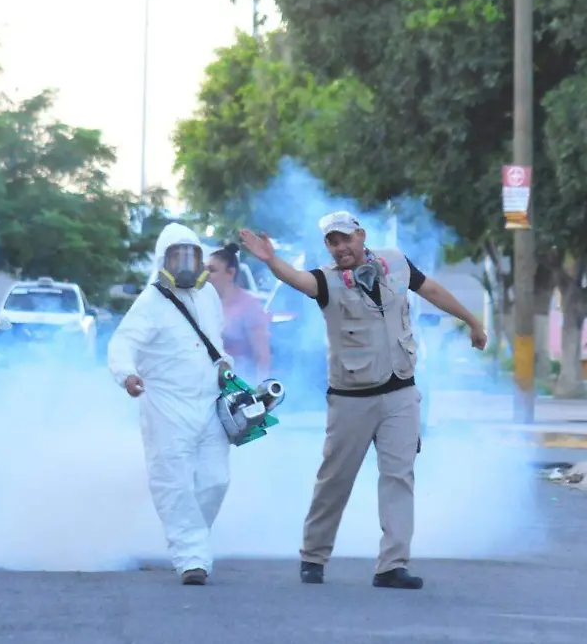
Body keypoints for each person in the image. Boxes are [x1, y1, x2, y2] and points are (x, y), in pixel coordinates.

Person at [239, 210, 488, 590]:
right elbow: (298, 279)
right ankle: (314, 555)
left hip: (401, 391)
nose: (341, 247)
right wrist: (272, 260)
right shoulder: (326, 280)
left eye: (346, 239)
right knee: (335, 480)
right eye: (332, 242)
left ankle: (392, 565)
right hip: (351, 398)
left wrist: (472, 320)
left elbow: (431, 290)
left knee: (399, 477)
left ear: (361, 236)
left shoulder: (396, 263)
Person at [107, 222, 233, 586]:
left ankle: (194, 541)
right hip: (166, 405)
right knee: (174, 483)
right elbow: (122, 344)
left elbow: (215, 342)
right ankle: (191, 557)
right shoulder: (150, 302)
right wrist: (126, 375)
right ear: (162, 259)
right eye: (176, 256)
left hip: (210, 403)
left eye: (190, 255)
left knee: (215, 480)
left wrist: (225, 366)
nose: (184, 264)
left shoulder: (208, 297)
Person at [206, 243, 272, 382]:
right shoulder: (203, 302)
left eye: (212, 270)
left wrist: (259, 391)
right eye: (204, 269)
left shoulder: (249, 305)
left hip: (238, 383)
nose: (205, 275)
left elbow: (262, 356)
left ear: (230, 273)